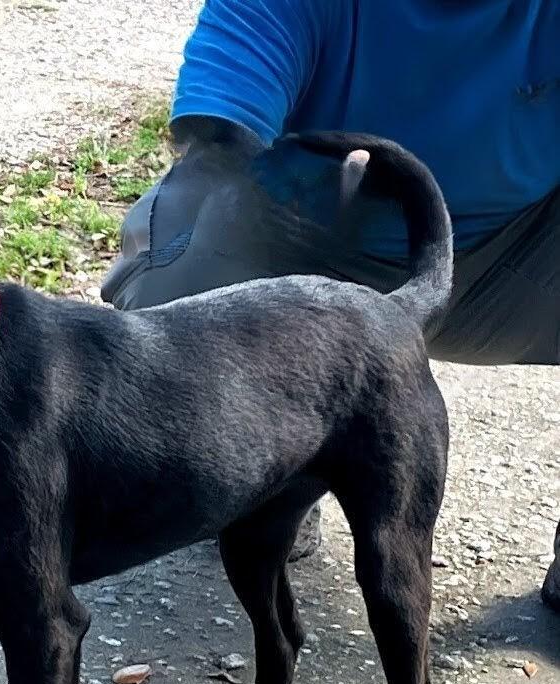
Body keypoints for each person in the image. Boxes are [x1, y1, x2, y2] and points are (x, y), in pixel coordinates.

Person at [102, 0, 560, 611]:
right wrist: (257, 190)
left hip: (503, 258)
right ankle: (274, 472)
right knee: (186, 243)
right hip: (307, 239)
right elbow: (219, 133)